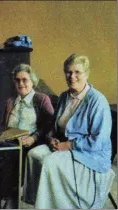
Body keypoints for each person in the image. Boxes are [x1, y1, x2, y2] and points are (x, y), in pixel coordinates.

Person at [24, 54, 114, 208]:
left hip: (89, 153)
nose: (72, 76)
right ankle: (38, 202)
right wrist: (51, 138)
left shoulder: (98, 101)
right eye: (68, 72)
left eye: (77, 72)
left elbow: (99, 141)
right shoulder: (65, 96)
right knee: (34, 154)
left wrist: (69, 145)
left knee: (49, 161)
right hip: (63, 145)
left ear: (86, 74)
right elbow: (54, 125)